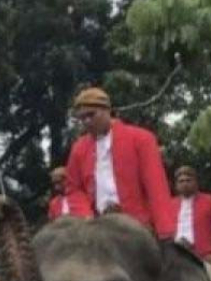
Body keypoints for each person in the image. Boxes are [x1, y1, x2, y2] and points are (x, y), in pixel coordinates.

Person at [63, 86, 174, 238]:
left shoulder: (141, 139)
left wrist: (165, 229)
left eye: (91, 115)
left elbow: (156, 185)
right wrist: (85, 216)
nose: (87, 121)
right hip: (97, 226)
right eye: (82, 118)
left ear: (107, 110)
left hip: (137, 226)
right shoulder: (79, 148)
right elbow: (73, 188)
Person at [170, 165, 211, 261]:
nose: (185, 184)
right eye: (181, 181)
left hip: (203, 258)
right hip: (174, 257)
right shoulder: (169, 205)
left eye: (188, 180)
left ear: (196, 182)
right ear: (176, 185)